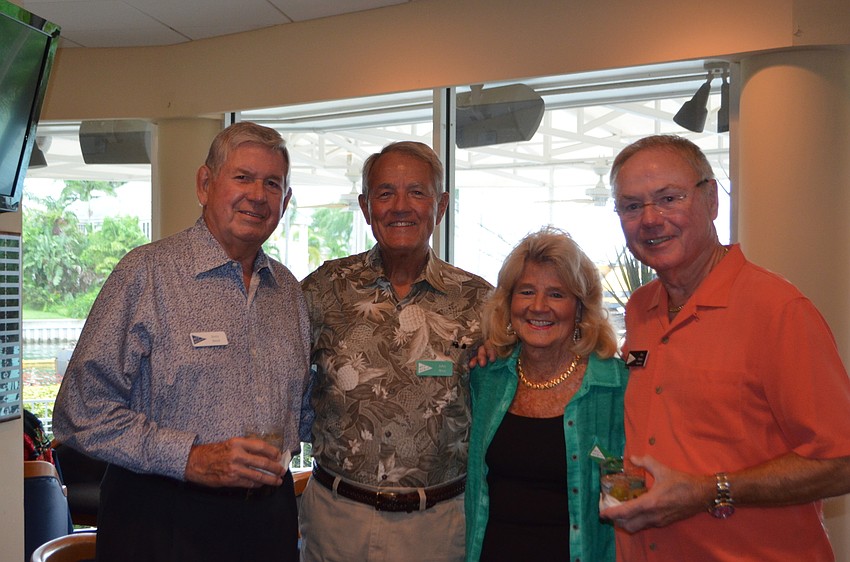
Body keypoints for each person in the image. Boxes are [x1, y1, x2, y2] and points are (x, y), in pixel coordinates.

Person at [52, 121, 311, 562]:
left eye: (272, 184)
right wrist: (189, 458)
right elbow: (80, 411)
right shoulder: (145, 274)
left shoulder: (287, 291)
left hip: (269, 520)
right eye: (243, 177)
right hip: (160, 518)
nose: (257, 195)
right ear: (205, 184)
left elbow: (303, 412)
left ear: (285, 202)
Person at [599, 134, 850, 561]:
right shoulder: (641, 308)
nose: (651, 219)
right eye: (632, 206)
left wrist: (710, 490)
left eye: (669, 199)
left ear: (712, 200)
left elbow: (841, 462)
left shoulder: (778, 310)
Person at [299, 141, 493, 561]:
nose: (400, 206)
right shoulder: (323, 289)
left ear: (440, 206)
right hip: (337, 520)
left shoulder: (480, 302)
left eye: (417, 192)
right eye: (385, 193)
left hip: (438, 526)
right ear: (366, 207)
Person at [465, 227, 628, 562]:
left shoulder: (614, 386)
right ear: (509, 303)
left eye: (556, 294)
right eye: (526, 292)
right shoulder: (487, 378)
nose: (538, 307)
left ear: (580, 308)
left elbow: (632, 496)